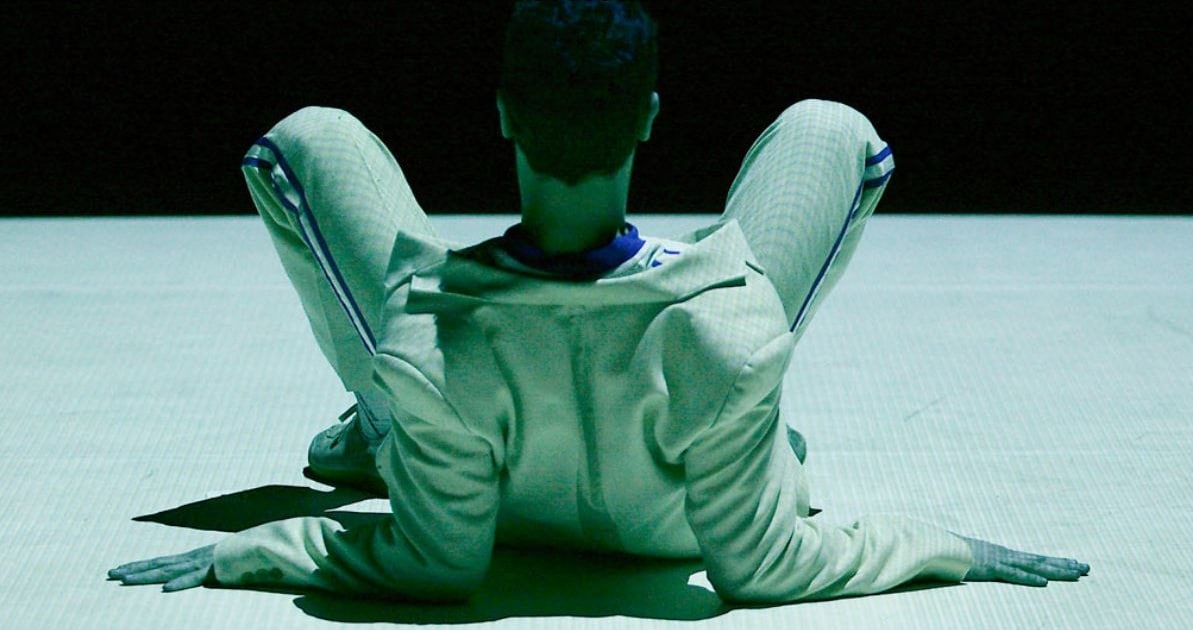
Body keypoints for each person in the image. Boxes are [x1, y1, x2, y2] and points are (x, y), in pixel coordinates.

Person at [110, 0, 1089, 603]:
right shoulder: (728, 318)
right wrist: (947, 550)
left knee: (306, 138)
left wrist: (254, 553)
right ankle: (733, 425)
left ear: (502, 113)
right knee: (832, 131)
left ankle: (383, 429)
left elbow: (432, 566)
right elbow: (768, 567)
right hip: (683, 484)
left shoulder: (426, 328)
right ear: (650, 118)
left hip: (467, 454)